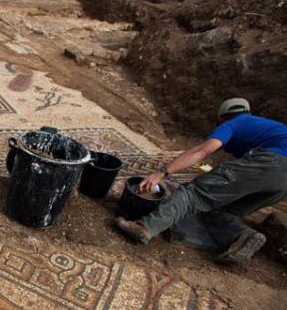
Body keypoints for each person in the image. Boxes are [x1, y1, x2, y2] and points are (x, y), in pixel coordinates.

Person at [115, 98, 287, 264]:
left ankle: (145, 228)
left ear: (222, 118)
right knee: (224, 210)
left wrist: (161, 173)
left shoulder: (234, 123)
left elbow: (202, 151)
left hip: (271, 162)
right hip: (282, 186)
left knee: (193, 193)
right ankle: (242, 237)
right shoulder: (265, 127)